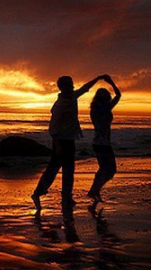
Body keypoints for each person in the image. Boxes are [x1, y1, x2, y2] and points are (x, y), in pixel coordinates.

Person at [31, 74, 109, 210]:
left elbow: (85, 88)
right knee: (53, 169)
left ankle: (67, 197)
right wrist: (57, 146)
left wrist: (98, 78)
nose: (73, 87)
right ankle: (38, 193)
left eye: (73, 84)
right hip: (60, 141)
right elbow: (53, 128)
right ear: (63, 88)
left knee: (69, 170)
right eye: (70, 85)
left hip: (70, 139)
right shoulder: (59, 106)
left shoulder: (73, 96)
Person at [87, 75, 121, 209]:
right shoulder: (105, 108)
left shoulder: (94, 109)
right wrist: (111, 81)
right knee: (111, 170)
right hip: (103, 144)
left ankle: (94, 190)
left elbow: (117, 96)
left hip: (98, 143)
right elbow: (118, 95)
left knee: (104, 169)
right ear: (106, 98)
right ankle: (93, 190)